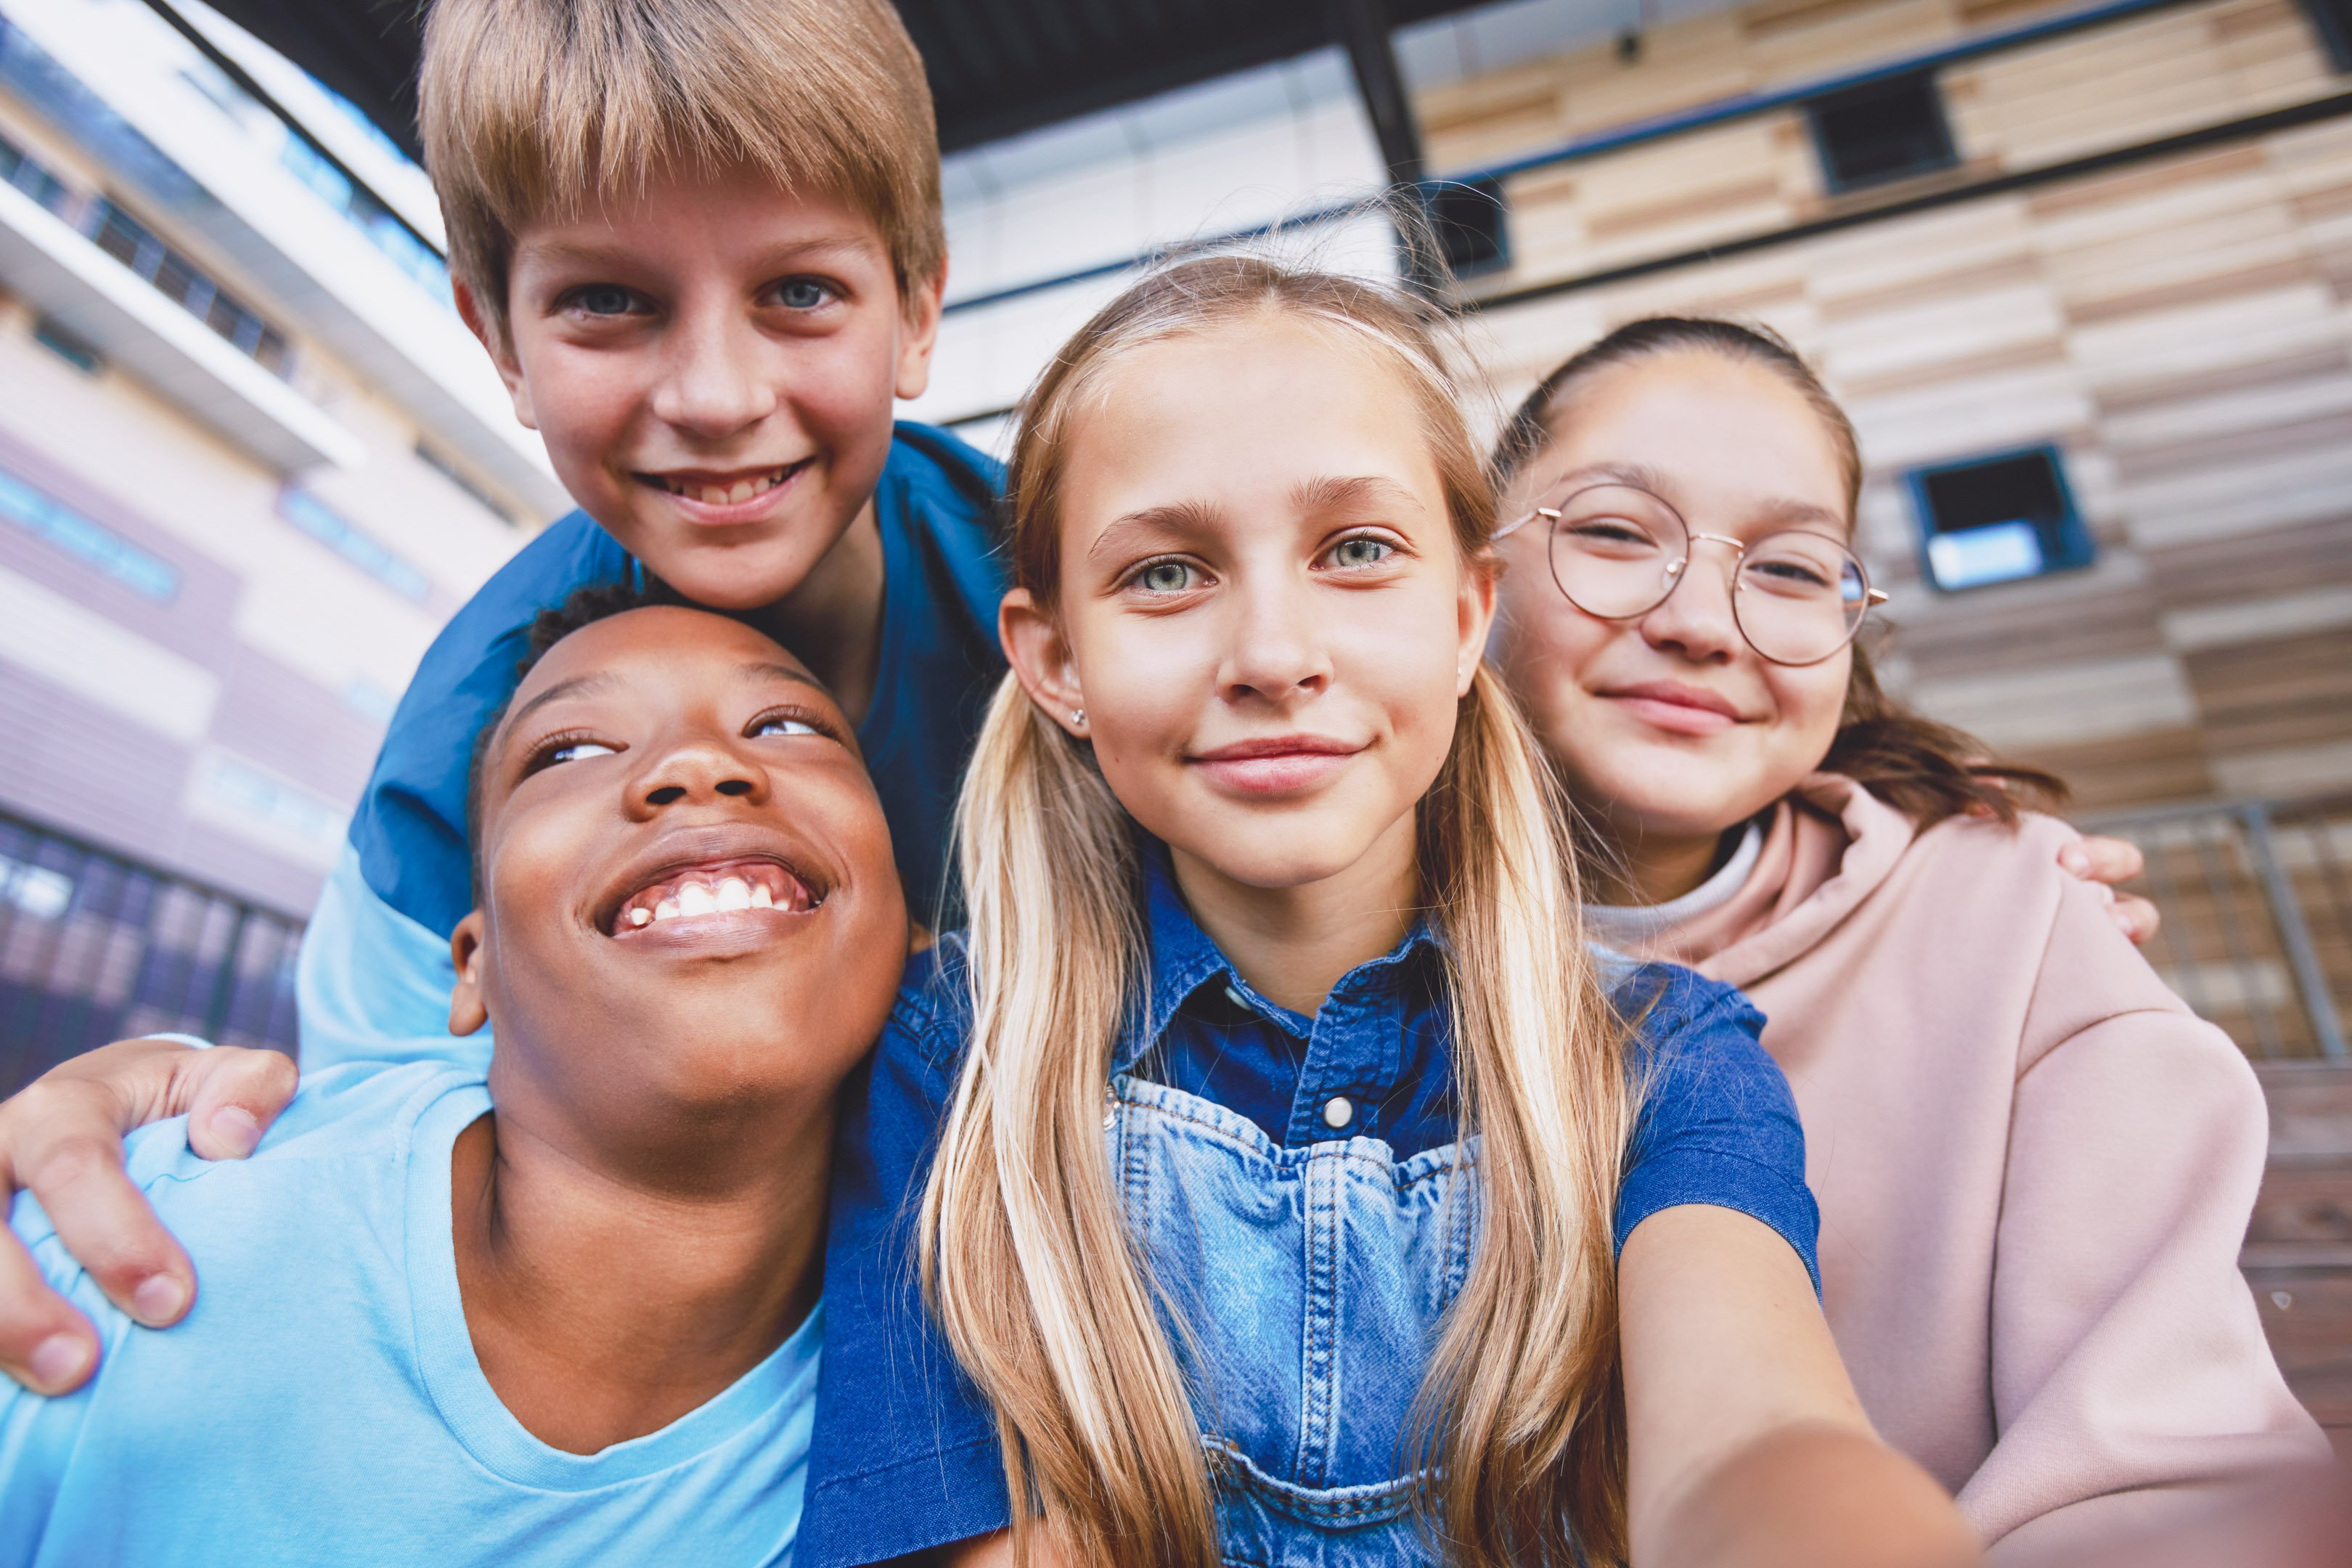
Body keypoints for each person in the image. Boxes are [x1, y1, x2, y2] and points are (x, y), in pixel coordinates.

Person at [798, 255, 1978, 1568]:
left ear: (1471, 615)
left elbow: (1753, 1434)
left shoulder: (1670, 1062)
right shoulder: (948, 1056)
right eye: (1166, 575)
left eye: (1357, 551)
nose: (1271, 656)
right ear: (1058, 660)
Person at [0, 0, 1008, 1397]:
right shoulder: (457, 765)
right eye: (609, 302)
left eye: (800, 294)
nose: (716, 394)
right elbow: (380, 1158)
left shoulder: (1082, 602)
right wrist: (182, 1120)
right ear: (498, 339)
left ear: (918, 311)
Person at [1483, 317, 2334, 1561]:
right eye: (1615, 533)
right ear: (1470, 576)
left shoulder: (2020, 919)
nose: (1705, 623)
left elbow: (2171, 1472)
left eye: (1786, 569)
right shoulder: (1297, 948)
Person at [1, 592, 910, 1564]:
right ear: (472, 965)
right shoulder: (125, 1234)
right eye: (568, 750)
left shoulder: (950, 1401)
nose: (696, 764)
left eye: (784, 725)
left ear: (912, 930)